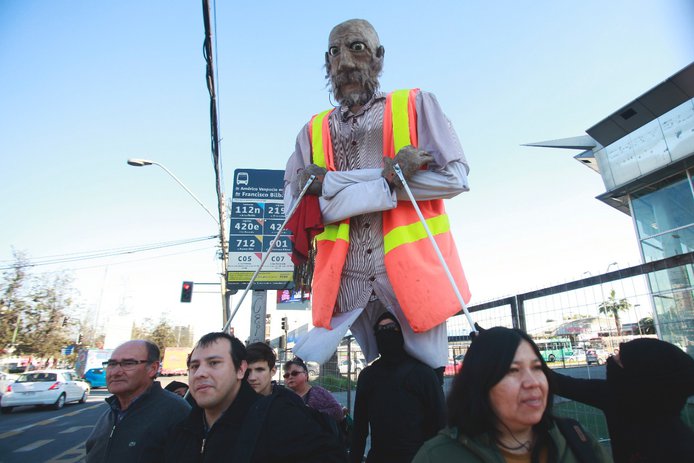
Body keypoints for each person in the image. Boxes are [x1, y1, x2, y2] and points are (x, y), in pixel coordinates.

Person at [284, 18, 471, 373]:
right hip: (344, 290)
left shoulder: (416, 105)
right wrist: (389, 180)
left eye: (356, 48)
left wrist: (333, 186)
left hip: (415, 282)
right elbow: (297, 211)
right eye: (334, 52)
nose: (344, 62)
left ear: (379, 56)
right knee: (372, 387)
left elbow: (455, 179)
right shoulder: (311, 131)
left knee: (427, 382)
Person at [413, 327, 611, 463]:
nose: (532, 382)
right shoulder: (437, 456)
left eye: (537, 368)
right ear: (481, 383)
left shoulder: (577, 439)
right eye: (513, 370)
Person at [164, 332, 347, 462]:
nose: (200, 373)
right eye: (194, 366)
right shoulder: (181, 431)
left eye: (214, 363)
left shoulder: (280, 418)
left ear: (240, 370)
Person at [550, 337, 694, 462]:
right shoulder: (615, 394)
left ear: (638, 378)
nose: (611, 359)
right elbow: (562, 384)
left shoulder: (681, 448)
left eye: (619, 360)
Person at [351, 312, 445, 463]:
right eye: (380, 329)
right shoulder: (367, 376)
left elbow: (439, 423)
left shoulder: (423, 374)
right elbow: (359, 428)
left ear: (402, 333)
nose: (385, 333)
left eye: (391, 327)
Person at [85, 340, 191, 463]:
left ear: (152, 369)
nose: (115, 372)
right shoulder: (111, 413)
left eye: (128, 363)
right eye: (112, 364)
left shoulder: (176, 412)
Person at [284, 357, 345, 423]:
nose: (290, 377)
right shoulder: (286, 396)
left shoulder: (318, 392)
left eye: (294, 373)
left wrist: (312, 413)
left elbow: (338, 412)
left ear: (305, 375)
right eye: (286, 375)